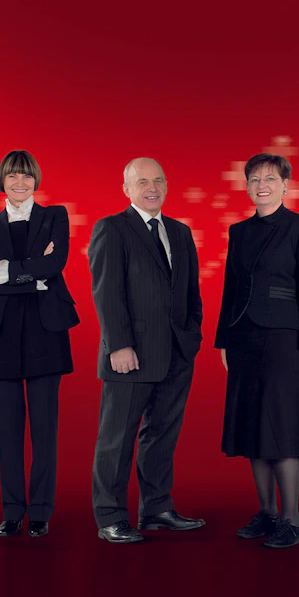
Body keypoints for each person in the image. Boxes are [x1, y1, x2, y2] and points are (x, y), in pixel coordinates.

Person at [87, 157, 205, 543]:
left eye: (157, 181)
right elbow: (107, 291)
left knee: (162, 434)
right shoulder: (112, 228)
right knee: (116, 439)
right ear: (127, 189)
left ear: (167, 185)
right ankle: (110, 518)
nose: (151, 188)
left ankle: (157, 509)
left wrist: (192, 336)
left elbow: (190, 292)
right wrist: (118, 345)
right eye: (142, 182)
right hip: (130, 354)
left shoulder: (181, 232)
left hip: (176, 352)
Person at [215, 153, 299, 549]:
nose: (262, 185)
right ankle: (268, 513)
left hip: (283, 337)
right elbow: (230, 288)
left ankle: (293, 520)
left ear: (285, 185)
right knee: (251, 425)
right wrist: (223, 339)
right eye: (255, 179)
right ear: (246, 186)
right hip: (243, 337)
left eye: (270, 178)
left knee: (280, 424)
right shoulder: (239, 231)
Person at [0, 150, 79, 539]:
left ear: (36, 179)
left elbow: (56, 266)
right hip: (0, 334)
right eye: (13, 177)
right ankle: (12, 510)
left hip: (45, 329)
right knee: (8, 431)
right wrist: (31, 274)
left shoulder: (56, 216)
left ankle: (40, 510)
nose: (20, 184)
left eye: (27, 177)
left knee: (44, 427)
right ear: (1, 180)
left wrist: (4, 269)